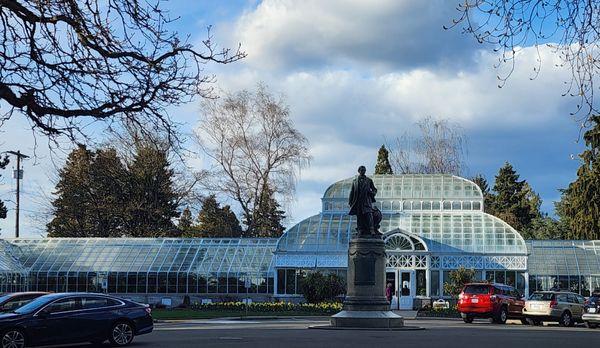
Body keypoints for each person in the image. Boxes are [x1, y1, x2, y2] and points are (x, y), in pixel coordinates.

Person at [348, 165, 378, 237]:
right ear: (359, 171)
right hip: (358, 202)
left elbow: (374, 189)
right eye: (361, 170)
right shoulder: (355, 181)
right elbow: (352, 192)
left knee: (369, 215)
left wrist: (371, 193)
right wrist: (350, 202)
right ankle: (360, 230)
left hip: (366, 201)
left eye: (364, 170)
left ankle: (372, 229)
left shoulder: (369, 180)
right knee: (359, 217)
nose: (363, 171)